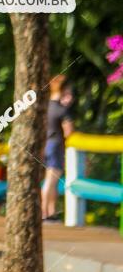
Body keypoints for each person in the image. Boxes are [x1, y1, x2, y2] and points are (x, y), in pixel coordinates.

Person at [42, 75, 75, 222]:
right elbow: (69, 131)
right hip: (56, 145)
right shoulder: (62, 110)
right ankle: (44, 213)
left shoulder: (45, 107)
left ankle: (51, 212)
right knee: (50, 181)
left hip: (46, 145)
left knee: (51, 180)